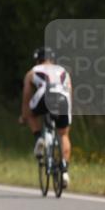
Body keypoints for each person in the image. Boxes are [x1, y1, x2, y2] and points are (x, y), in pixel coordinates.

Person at [21, 46, 72, 187]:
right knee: (63, 135)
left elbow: (26, 96)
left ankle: (39, 138)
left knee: (30, 113)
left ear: (38, 59)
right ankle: (65, 171)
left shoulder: (32, 72)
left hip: (44, 96)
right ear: (52, 59)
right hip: (63, 99)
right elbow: (69, 92)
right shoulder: (63, 71)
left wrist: (24, 116)